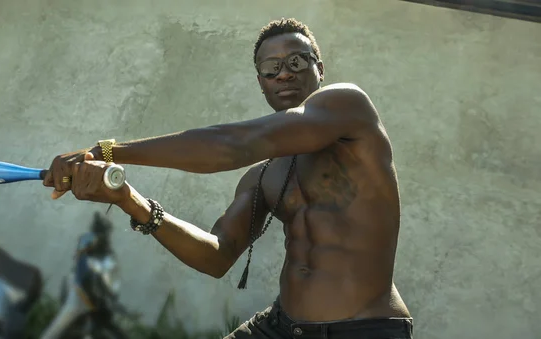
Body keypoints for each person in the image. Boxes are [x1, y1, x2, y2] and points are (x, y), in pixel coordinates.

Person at [43, 18, 413, 339]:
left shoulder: (349, 107)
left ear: (320, 69)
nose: (284, 72)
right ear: (261, 82)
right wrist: (127, 198)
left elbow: (232, 145)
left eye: (297, 61)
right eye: (271, 67)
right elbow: (215, 256)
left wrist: (110, 151)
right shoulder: (265, 175)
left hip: (364, 331)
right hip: (281, 327)